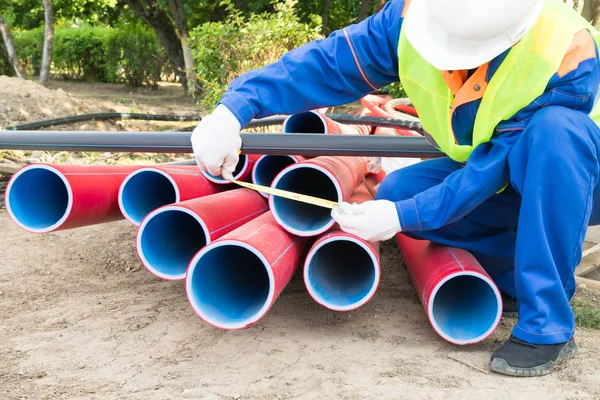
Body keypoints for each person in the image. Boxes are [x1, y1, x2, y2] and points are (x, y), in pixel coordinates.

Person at [191, 0, 600, 377]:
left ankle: (547, 324)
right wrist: (234, 108)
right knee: (397, 194)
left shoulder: (565, 47)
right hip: (497, 170)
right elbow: (330, 63)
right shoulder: (415, 15)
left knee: (556, 132)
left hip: (574, 180)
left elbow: (496, 168)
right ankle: (515, 278)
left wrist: (406, 218)